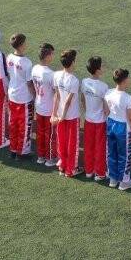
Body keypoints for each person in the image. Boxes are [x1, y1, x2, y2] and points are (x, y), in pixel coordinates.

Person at [104, 68, 131, 190]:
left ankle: (113, 179)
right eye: (128, 78)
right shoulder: (128, 98)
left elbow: (106, 110)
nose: (129, 80)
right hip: (123, 128)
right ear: (123, 81)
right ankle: (124, 182)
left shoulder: (108, 92)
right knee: (124, 155)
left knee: (111, 152)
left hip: (110, 123)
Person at [51, 49, 81, 178]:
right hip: (71, 116)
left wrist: (54, 114)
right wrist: (63, 116)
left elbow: (56, 96)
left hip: (58, 116)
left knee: (61, 141)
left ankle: (62, 166)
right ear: (72, 62)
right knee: (72, 144)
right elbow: (68, 101)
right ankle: (71, 170)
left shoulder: (56, 75)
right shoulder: (74, 80)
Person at [5, 33, 34, 159]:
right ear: (21, 45)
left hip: (12, 94)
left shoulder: (9, 57)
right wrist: (34, 96)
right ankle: (23, 152)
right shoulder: (27, 62)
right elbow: (29, 83)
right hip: (24, 98)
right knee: (25, 125)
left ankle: (13, 149)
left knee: (13, 123)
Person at [80, 56, 109, 180]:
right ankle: (100, 173)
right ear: (97, 70)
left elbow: (82, 99)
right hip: (100, 121)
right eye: (102, 66)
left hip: (88, 119)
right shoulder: (103, 86)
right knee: (100, 147)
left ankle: (89, 170)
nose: (103, 67)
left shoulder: (84, 82)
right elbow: (106, 108)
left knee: (88, 146)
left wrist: (88, 111)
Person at [32, 43, 58, 166]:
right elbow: (56, 92)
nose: (53, 57)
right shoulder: (50, 74)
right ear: (47, 56)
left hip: (39, 105)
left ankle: (41, 156)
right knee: (50, 135)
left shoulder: (35, 68)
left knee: (40, 133)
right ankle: (50, 158)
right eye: (52, 54)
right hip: (49, 109)